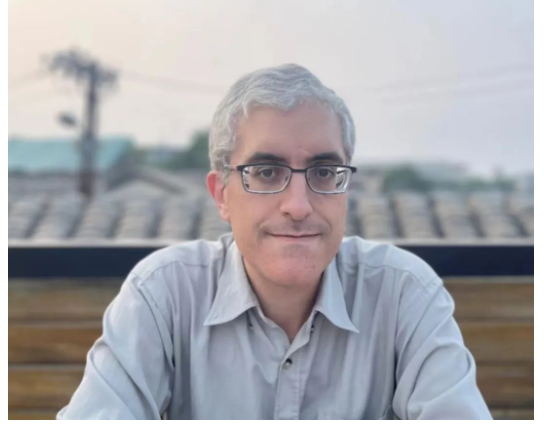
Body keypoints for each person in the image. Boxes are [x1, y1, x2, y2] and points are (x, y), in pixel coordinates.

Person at [57, 64, 492, 420]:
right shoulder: (164, 294)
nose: (298, 205)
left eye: (324, 172)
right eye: (266, 173)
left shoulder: (404, 294)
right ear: (221, 194)